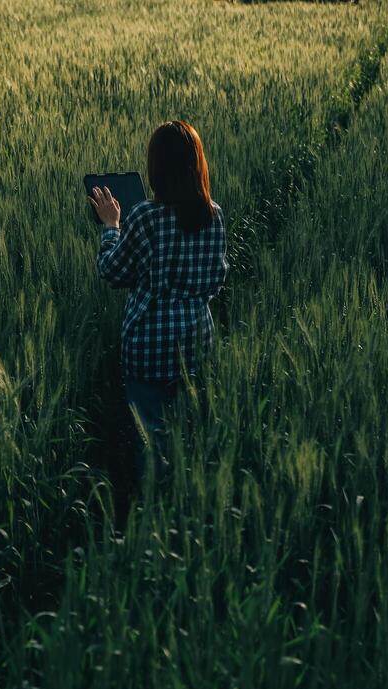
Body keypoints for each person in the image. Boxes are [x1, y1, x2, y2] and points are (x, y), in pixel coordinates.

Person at [88, 120, 229, 486]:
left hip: (148, 350)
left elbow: (112, 271)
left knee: (151, 443)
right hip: (198, 343)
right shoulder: (214, 216)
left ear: (155, 169)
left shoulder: (143, 217)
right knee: (190, 437)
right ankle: (186, 501)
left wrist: (110, 227)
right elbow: (217, 279)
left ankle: (152, 506)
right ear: (197, 164)